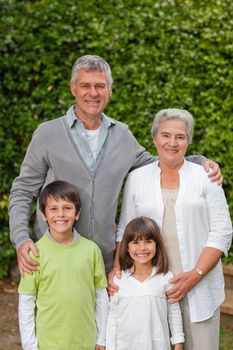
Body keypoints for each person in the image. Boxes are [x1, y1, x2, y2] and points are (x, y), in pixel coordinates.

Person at [9, 55, 222, 276]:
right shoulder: (47, 134)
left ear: (110, 90)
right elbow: (23, 191)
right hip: (53, 256)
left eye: (100, 86)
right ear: (73, 88)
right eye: (85, 86)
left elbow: (159, 162)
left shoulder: (122, 135)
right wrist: (22, 239)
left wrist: (199, 161)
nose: (93, 93)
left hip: (105, 261)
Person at [115, 109, 232, 350]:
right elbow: (125, 230)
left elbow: (222, 231)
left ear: (189, 140)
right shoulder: (137, 178)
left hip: (199, 287)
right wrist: (117, 270)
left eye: (180, 136)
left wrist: (194, 275)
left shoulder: (206, 176)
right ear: (155, 138)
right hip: (152, 288)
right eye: (165, 135)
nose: (172, 142)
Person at [18, 180, 109, 350]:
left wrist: (102, 338)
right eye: (53, 208)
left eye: (67, 208)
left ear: (77, 213)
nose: (61, 214)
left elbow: (101, 297)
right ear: (43, 215)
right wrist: (30, 346)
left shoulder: (92, 250)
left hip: (86, 343)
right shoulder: (34, 253)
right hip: (48, 344)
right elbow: (26, 302)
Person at [106, 216, 184, 350]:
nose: (142, 248)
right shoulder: (119, 281)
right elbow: (113, 317)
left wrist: (178, 343)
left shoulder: (166, 278)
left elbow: (173, 313)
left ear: (157, 245)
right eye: (135, 242)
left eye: (148, 241)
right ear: (127, 248)